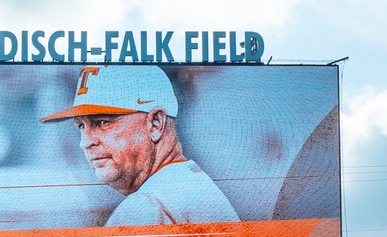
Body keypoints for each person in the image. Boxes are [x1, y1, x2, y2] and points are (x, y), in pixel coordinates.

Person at [40, 65, 239, 226]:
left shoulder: (147, 207)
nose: (85, 142)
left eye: (102, 122)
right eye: (81, 126)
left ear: (156, 124)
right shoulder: (187, 182)